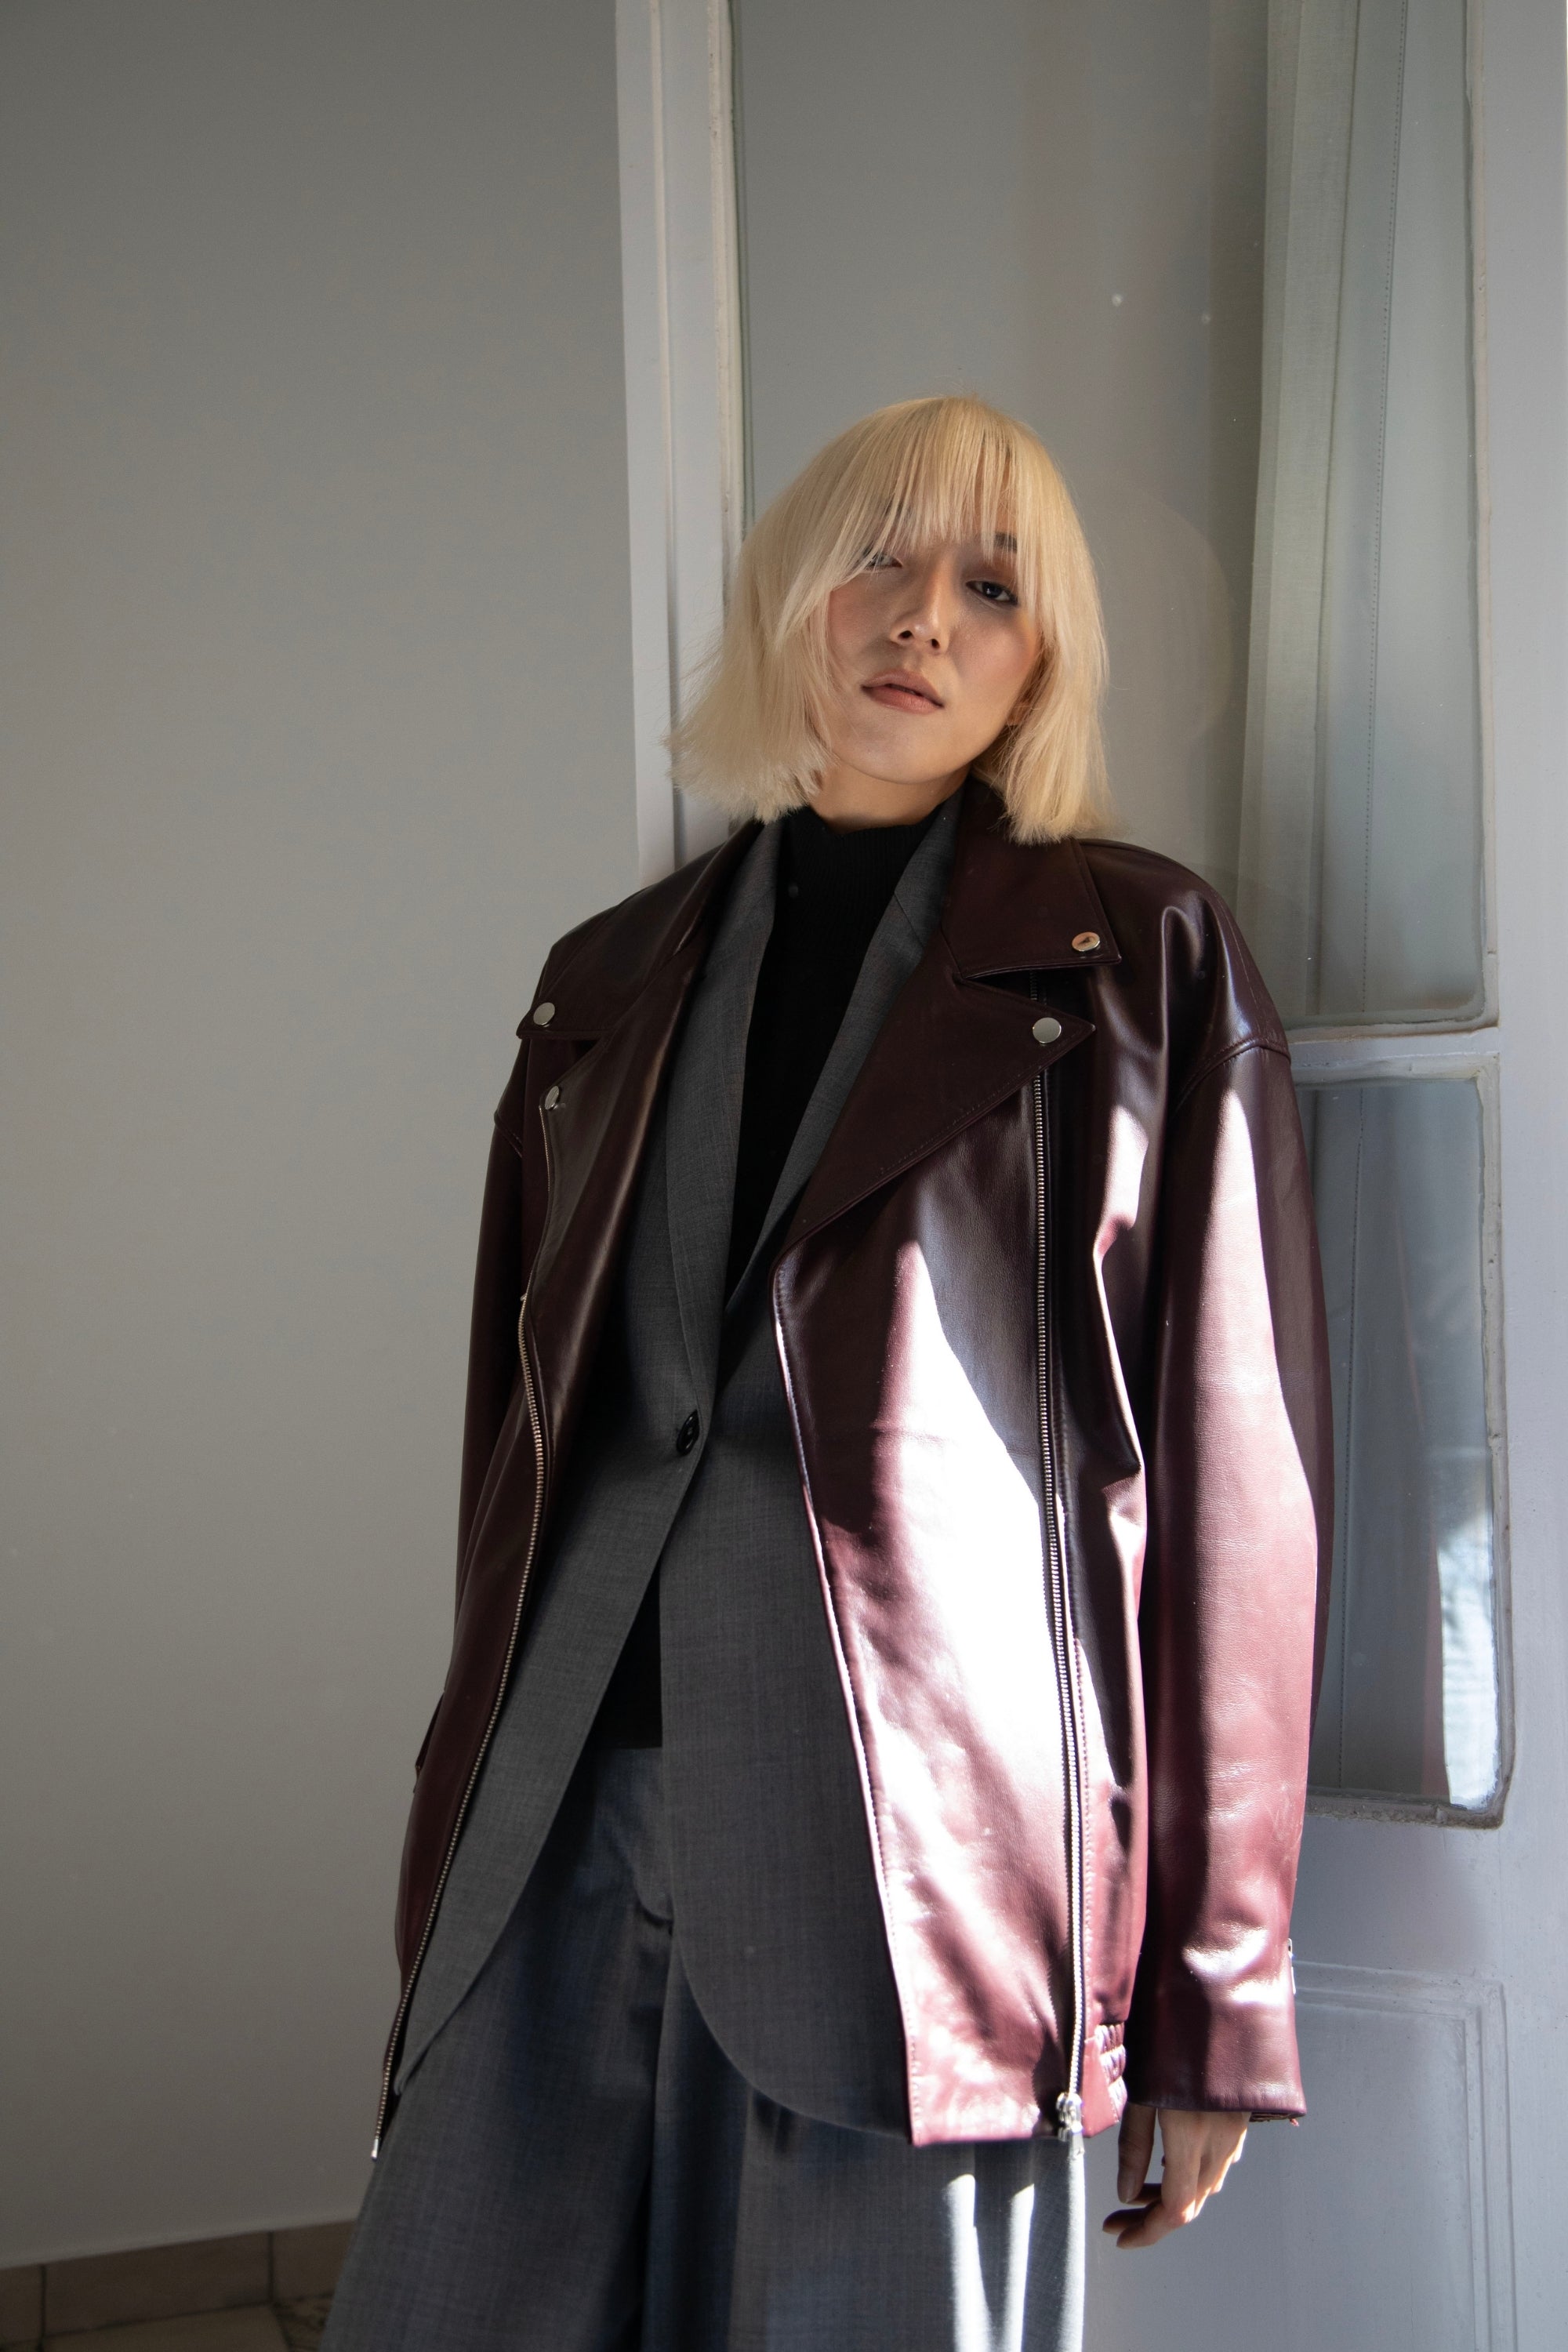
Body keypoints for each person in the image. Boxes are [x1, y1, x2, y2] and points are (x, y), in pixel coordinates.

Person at [322, 395, 1332, 2352]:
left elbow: (1239, 1498)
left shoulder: (1138, 963)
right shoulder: (605, 980)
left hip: (916, 1854)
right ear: (791, 592)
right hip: (563, 1808)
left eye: (993, 588)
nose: (924, 616)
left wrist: (1217, 1995)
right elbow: (514, 1460)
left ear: (1044, 659)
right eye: (877, 554)